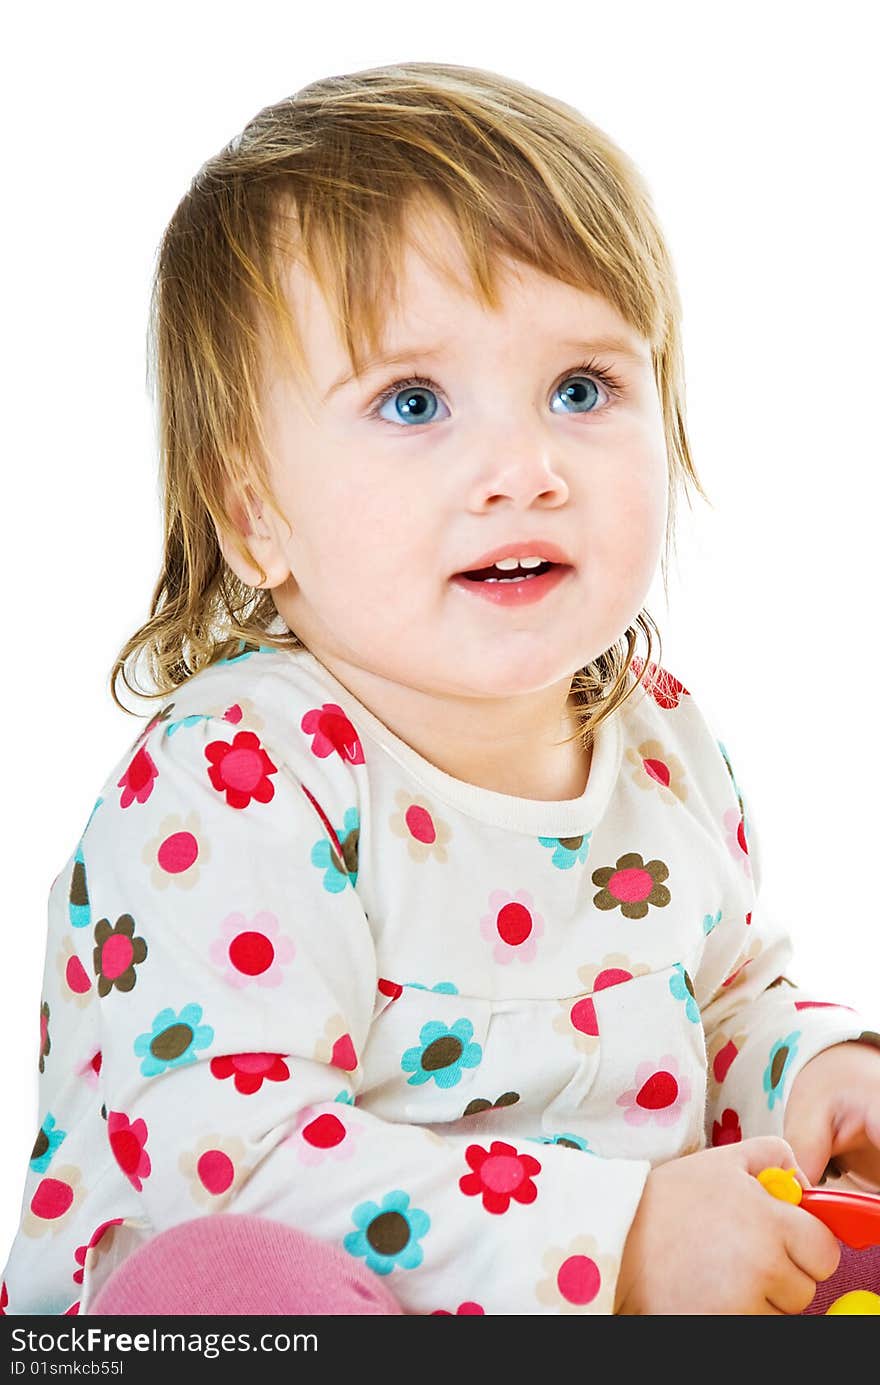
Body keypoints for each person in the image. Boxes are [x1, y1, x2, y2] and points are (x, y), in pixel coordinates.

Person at [2, 59, 879, 1319]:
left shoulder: (661, 741)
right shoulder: (234, 779)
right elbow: (223, 1167)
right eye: (412, 402)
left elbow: (723, 997)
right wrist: (619, 1240)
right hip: (242, 1312)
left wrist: (811, 1077)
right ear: (254, 513)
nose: (523, 468)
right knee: (223, 1284)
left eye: (582, 390)